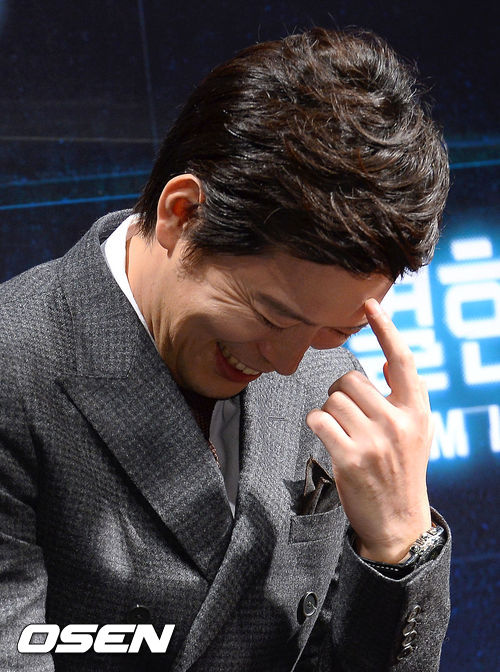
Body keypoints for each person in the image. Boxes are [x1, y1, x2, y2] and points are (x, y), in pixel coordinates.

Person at [0, 27, 451, 671]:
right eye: (271, 314)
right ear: (182, 214)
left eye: (337, 330)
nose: (289, 362)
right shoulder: (16, 367)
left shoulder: (332, 384)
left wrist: (401, 543)